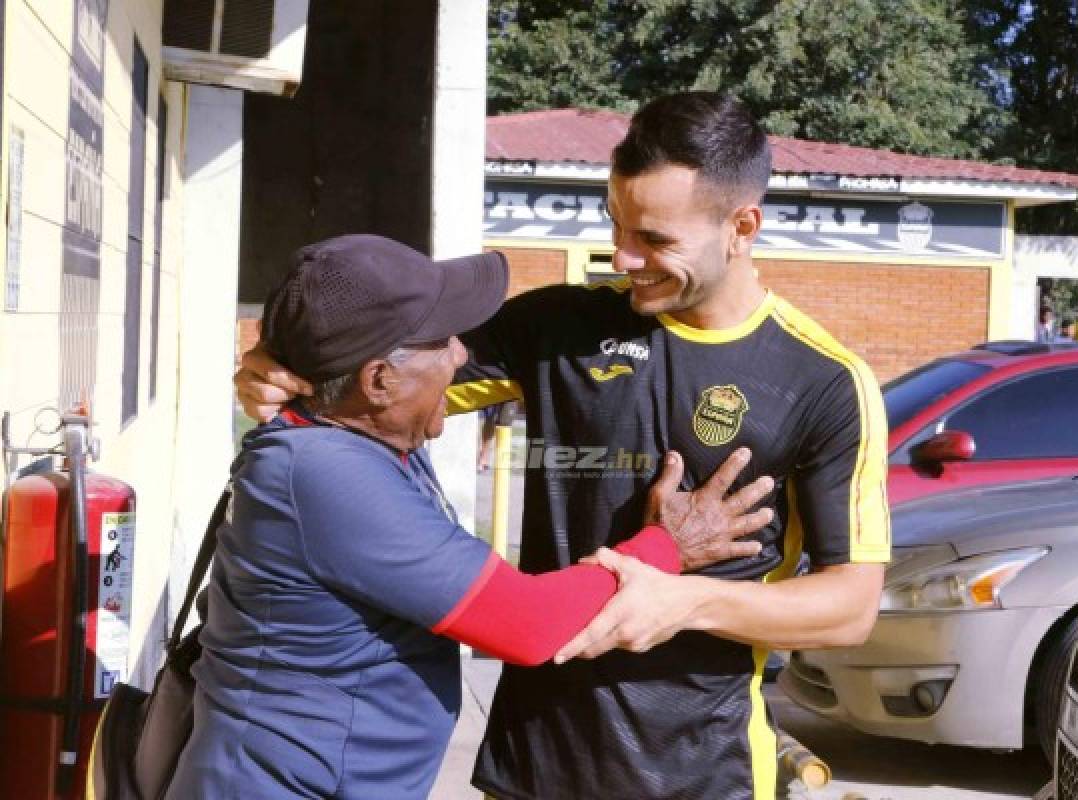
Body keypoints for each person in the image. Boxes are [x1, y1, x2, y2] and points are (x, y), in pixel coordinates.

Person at [237, 92, 890, 800]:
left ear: (742, 226)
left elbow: (850, 606)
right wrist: (279, 370)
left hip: (705, 775)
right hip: (532, 765)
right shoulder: (557, 327)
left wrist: (684, 601)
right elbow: (372, 385)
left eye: (656, 239)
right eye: (617, 225)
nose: (624, 255)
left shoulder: (826, 381)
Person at [182, 235, 775, 799]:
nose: (464, 354)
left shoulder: (347, 430)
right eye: (443, 341)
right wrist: (668, 546)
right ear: (379, 381)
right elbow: (529, 624)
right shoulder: (329, 476)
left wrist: (270, 363)